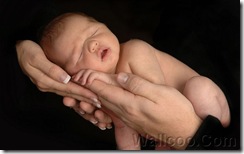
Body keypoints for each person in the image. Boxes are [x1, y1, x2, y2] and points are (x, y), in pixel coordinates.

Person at [37, 12, 230, 149]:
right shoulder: (101, 94)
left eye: (93, 32)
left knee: (200, 87)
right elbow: (123, 128)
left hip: (208, 113)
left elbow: (156, 90)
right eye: (79, 54)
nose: (93, 44)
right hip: (174, 134)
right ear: (73, 78)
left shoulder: (134, 50)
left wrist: (107, 79)